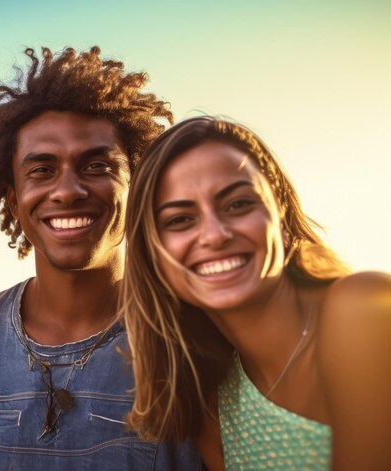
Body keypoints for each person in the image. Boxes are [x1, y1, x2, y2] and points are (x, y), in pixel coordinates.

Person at [0, 47, 201, 470]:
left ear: (137, 188)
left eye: (96, 165)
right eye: (42, 170)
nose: (67, 190)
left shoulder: (192, 340)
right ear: (12, 201)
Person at [121, 116, 391, 470]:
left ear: (278, 210)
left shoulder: (363, 306)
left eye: (238, 204)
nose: (215, 235)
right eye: (180, 220)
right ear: (153, 253)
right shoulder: (212, 398)